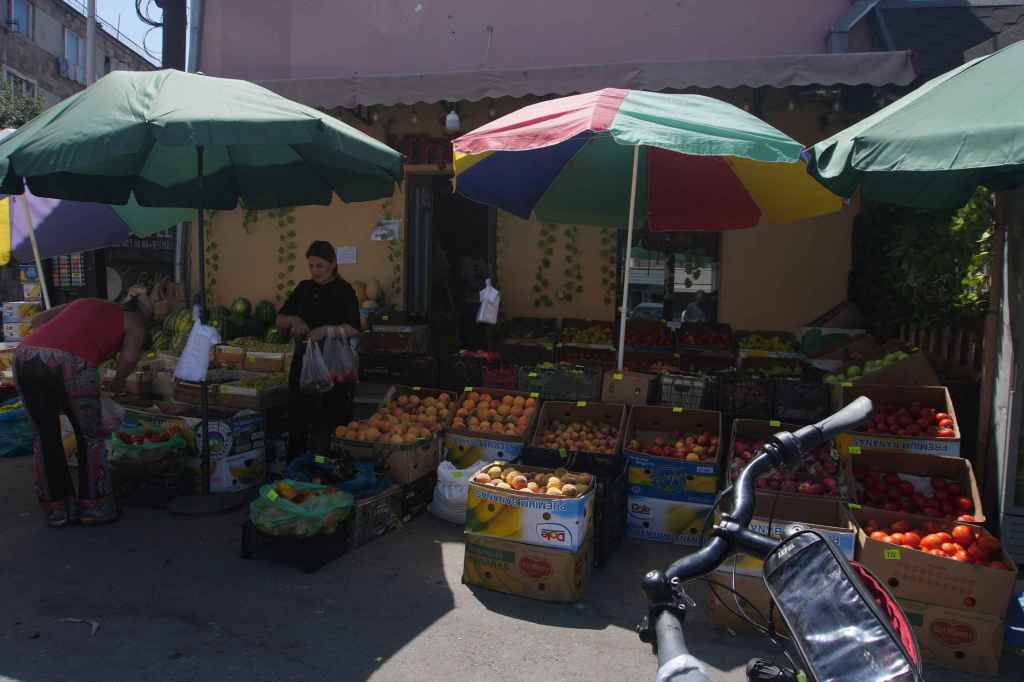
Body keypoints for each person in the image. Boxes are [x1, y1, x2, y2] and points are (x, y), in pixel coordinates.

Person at [13, 288, 153, 527]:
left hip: (25, 356)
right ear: (142, 313)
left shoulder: (88, 300)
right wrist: (118, 382)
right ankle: (95, 507)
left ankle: (56, 509)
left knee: (44, 436)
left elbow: (37, 320)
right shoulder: (135, 321)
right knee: (90, 437)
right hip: (72, 364)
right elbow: (129, 359)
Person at [276, 241, 361, 456]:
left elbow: (353, 328)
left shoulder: (344, 290)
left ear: (333, 264)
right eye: (312, 265)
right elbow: (280, 320)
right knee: (300, 415)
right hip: (304, 361)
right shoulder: (304, 288)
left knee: (330, 419)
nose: (315, 271)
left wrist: (327, 331)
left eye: (320, 266)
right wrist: (294, 320)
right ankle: (299, 466)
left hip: (333, 366)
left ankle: (328, 466)